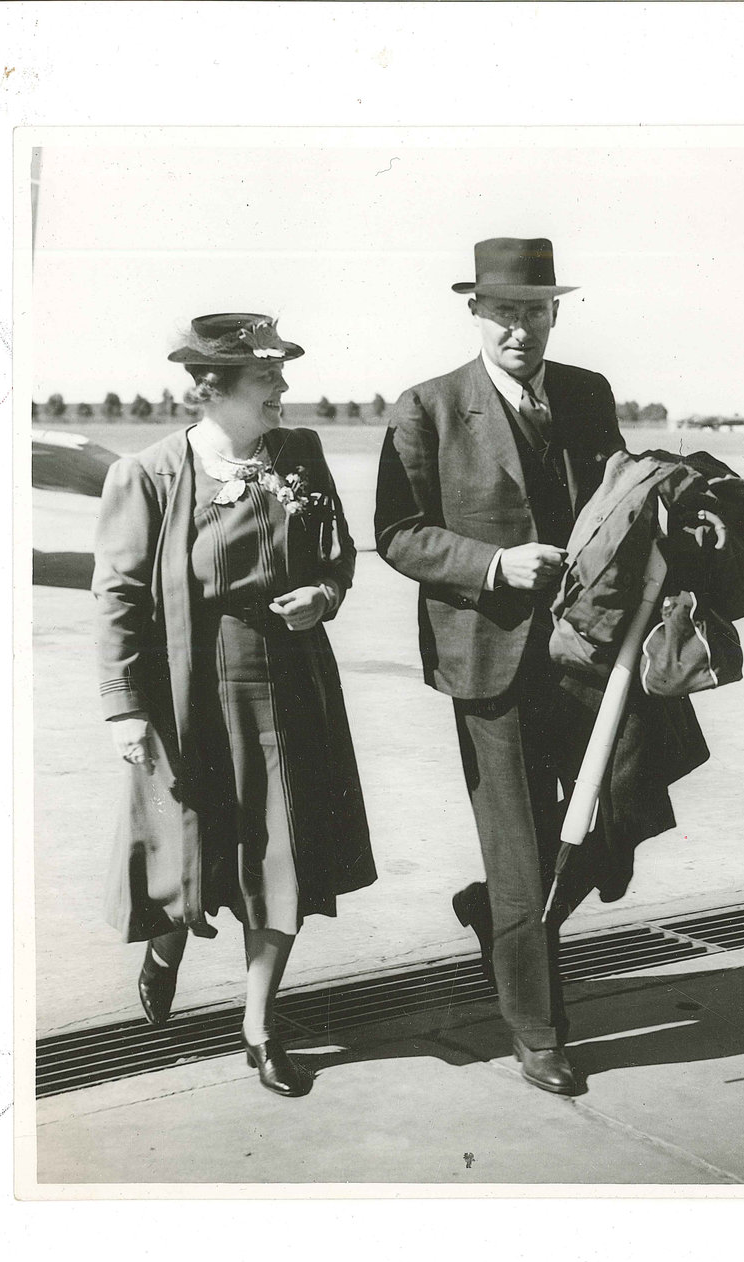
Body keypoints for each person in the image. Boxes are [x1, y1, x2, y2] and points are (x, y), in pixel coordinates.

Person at [93, 312, 375, 1098]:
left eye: (281, 371)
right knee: (192, 847)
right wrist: (125, 708)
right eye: (266, 376)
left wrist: (324, 592)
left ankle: (259, 1025)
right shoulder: (147, 474)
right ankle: (168, 944)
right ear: (212, 390)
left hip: (286, 684)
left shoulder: (301, 452)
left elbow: (338, 552)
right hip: (187, 688)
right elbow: (116, 598)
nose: (283, 386)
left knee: (279, 854)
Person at [374, 238, 625, 1096]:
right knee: (522, 848)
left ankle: (492, 913)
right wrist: (493, 564)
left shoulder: (588, 396)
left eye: (535, 309)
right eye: (504, 311)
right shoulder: (429, 408)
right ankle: (537, 1028)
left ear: (556, 312)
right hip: (489, 658)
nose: (521, 327)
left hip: (586, 651)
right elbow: (398, 533)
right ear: (475, 313)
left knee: (618, 822)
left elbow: (619, 503)